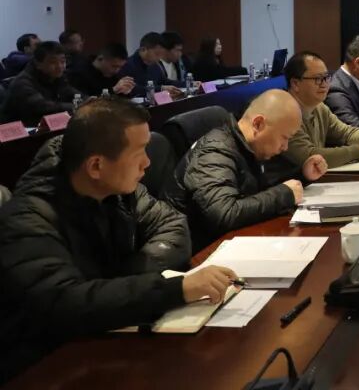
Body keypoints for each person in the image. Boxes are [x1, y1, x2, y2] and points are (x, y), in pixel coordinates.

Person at [0, 97, 237, 383]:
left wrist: (121, 287)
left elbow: (172, 225)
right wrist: (175, 289)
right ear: (96, 166)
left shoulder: (118, 191)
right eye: (139, 153)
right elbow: (65, 305)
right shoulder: (27, 219)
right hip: (43, 365)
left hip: (104, 338)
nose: (148, 162)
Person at [169, 89, 321, 249]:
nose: (285, 147)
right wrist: (285, 194)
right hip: (200, 252)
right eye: (284, 137)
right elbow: (224, 215)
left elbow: (264, 190)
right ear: (258, 124)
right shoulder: (215, 152)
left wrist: (302, 176)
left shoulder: (248, 146)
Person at [282, 51, 359, 170]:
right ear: (295, 83)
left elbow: (345, 133)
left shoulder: (319, 107)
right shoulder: (285, 114)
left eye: (326, 77)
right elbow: (310, 156)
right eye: (317, 79)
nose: (324, 84)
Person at [3, 41, 77, 126]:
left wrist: (86, 102)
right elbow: (43, 107)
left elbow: (72, 93)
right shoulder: (23, 82)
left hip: (44, 126)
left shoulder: (57, 77)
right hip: (20, 130)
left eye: (63, 61)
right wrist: (76, 106)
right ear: (38, 64)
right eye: (53, 62)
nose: (60, 66)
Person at [120, 33, 181, 99]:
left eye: (161, 55)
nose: (159, 58)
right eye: (157, 54)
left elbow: (165, 81)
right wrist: (160, 88)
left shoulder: (155, 65)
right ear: (143, 50)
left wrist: (186, 83)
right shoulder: (127, 65)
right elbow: (132, 89)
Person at [68, 43, 137, 97]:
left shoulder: (114, 75)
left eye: (120, 67)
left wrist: (125, 92)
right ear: (101, 58)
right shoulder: (79, 73)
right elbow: (85, 102)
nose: (117, 70)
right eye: (114, 66)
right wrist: (113, 90)